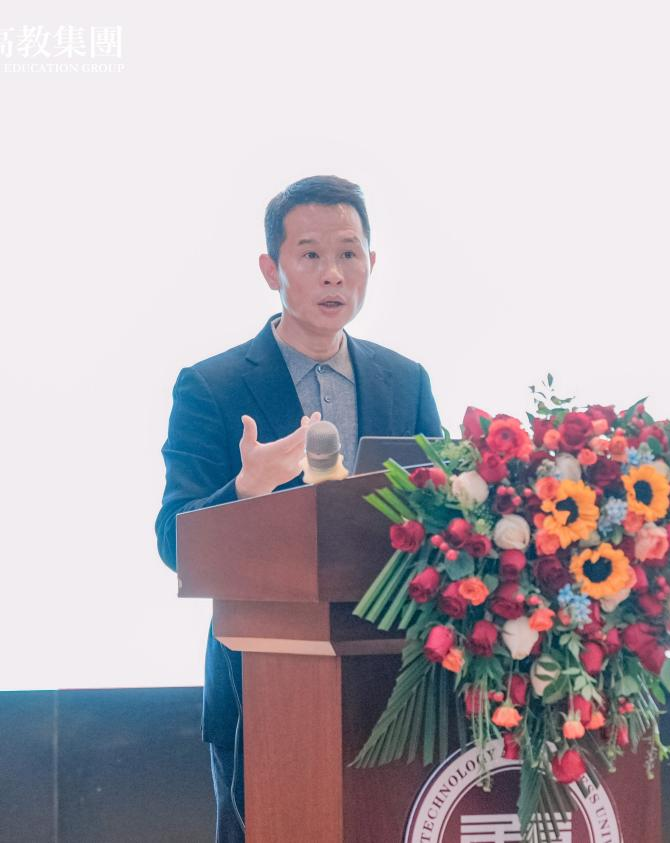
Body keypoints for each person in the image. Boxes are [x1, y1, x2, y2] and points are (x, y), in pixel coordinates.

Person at [154, 175, 442, 842]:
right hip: (262, 689)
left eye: (348, 253)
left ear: (372, 263)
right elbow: (174, 539)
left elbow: (443, 520)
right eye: (310, 254)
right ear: (270, 269)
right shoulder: (213, 386)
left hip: (396, 685)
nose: (333, 272)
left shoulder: (406, 380)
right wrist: (247, 490)